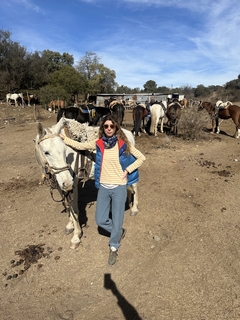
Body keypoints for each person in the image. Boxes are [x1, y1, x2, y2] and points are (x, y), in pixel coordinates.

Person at [60, 115, 146, 265]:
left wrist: (127, 170)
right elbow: (81, 146)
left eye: (112, 126)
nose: (109, 129)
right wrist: (64, 139)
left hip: (119, 187)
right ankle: (119, 231)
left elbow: (141, 158)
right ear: (102, 128)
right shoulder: (98, 143)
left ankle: (114, 247)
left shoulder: (123, 144)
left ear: (116, 128)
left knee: (117, 219)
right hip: (103, 187)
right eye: (106, 126)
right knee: (100, 220)